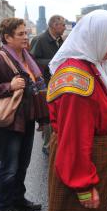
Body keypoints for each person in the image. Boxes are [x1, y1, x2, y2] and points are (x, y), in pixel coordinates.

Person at [43, 10, 107, 211]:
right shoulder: (76, 79)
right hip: (79, 165)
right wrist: (84, 186)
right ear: (95, 38)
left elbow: (104, 115)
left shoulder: (90, 65)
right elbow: (74, 139)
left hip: (89, 158)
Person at [0, 18, 44, 211]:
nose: (26, 37)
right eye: (21, 34)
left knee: (23, 163)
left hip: (27, 117)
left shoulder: (27, 56)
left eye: (26, 33)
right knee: (10, 165)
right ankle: (3, 207)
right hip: (8, 120)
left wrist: (42, 116)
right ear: (7, 37)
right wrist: (8, 86)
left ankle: (18, 199)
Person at [30, 15, 66, 157]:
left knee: (56, 115)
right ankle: (47, 145)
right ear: (54, 25)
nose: (64, 27)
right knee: (48, 115)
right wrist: (52, 62)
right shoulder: (39, 40)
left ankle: (54, 141)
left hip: (58, 82)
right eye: (62, 25)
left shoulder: (60, 40)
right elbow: (32, 61)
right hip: (45, 84)